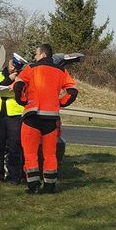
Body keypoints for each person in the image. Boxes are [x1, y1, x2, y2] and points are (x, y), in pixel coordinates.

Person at [14, 44, 78, 194]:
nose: (35, 57)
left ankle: (33, 185)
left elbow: (18, 85)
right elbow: (73, 91)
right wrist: (61, 102)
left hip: (32, 116)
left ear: (42, 55)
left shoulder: (31, 68)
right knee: (50, 155)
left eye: (36, 54)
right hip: (51, 118)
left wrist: (23, 100)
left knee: (30, 153)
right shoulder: (61, 71)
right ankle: (50, 186)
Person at [0, 54, 26, 183]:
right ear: (9, 63)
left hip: (14, 116)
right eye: (12, 66)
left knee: (14, 147)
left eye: (16, 67)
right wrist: (8, 79)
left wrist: (15, 79)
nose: (14, 69)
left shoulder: (22, 77)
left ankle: (14, 176)